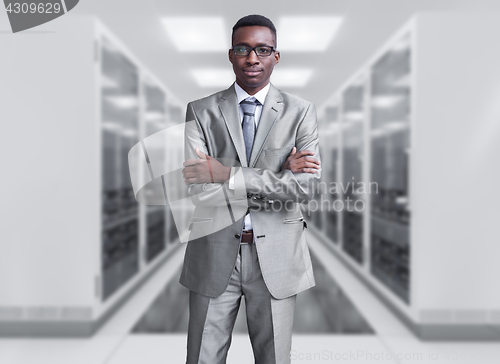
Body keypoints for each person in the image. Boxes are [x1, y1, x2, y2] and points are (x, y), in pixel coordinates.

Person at [180, 14, 321, 364]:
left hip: (276, 258)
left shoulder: (300, 113)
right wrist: (278, 177)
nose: (252, 58)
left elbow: (304, 189)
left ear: (276, 56)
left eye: (262, 49)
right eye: (243, 49)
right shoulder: (201, 112)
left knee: (273, 358)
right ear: (231, 54)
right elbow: (198, 190)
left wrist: (224, 172)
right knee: (202, 358)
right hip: (212, 254)